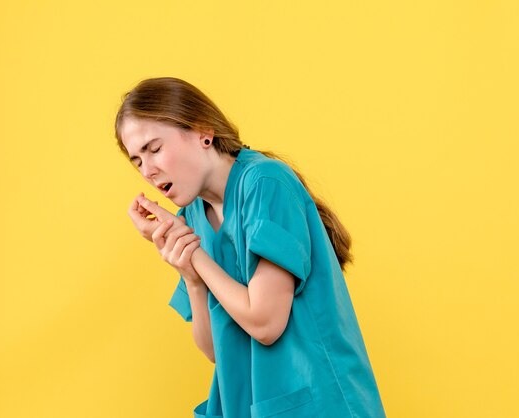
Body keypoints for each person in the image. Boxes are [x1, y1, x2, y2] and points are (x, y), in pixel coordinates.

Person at [115, 77, 386, 418]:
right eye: (136, 161)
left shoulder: (265, 183)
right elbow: (215, 350)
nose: (149, 171)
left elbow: (265, 323)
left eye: (154, 149)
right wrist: (192, 277)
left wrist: (196, 255)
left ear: (203, 132)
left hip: (321, 405)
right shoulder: (192, 217)